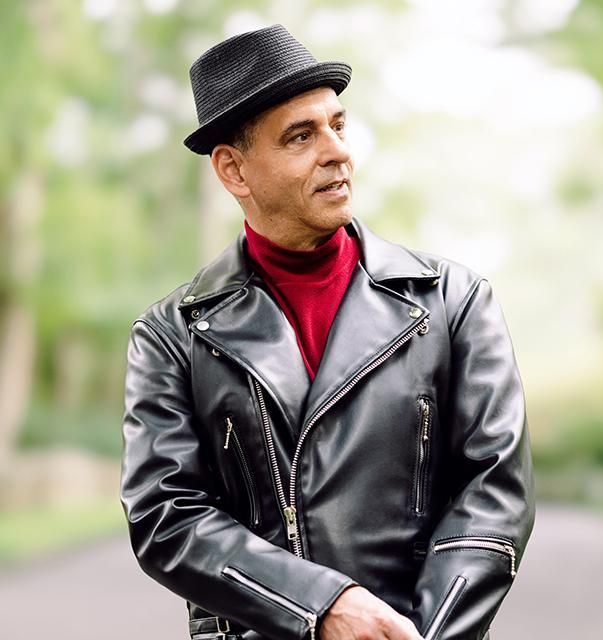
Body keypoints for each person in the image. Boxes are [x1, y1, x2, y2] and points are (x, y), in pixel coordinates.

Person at [120, 24, 535, 640]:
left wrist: (417, 636)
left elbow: (493, 488)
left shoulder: (452, 302)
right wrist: (322, 607)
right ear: (235, 171)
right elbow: (167, 517)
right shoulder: (171, 335)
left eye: (338, 125)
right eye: (300, 136)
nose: (337, 150)